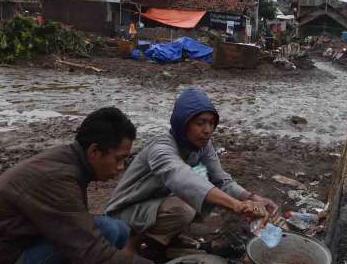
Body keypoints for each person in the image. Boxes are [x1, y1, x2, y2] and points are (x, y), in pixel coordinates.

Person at [0, 107, 194, 264]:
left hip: (5, 262)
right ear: (94, 152)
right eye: (118, 159)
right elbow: (92, 252)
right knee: (105, 232)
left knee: (116, 230)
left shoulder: (66, 161)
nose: (121, 168)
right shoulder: (56, 178)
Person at [105, 88, 278, 251]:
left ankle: (167, 240)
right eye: (200, 123)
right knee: (185, 207)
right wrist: (236, 205)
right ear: (183, 123)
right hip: (124, 213)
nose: (207, 130)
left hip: (153, 204)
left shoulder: (202, 145)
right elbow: (181, 178)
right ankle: (133, 245)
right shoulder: (161, 148)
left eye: (211, 123)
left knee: (201, 198)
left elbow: (221, 179)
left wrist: (251, 197)